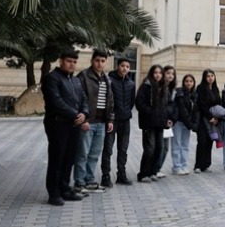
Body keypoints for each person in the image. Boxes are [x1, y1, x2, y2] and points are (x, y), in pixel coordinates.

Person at [41, 50, 89, 206]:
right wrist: (76, 115)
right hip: (57, 124)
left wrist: (84, 114)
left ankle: (65, 188)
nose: (72, 64)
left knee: (69, 159)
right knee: (57, 158)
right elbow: (56, 102)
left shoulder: (75, 81)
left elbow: (84, 99)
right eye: (69, 61)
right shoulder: (51, 79)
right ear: (61, 61)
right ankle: (54, 193)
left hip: (73, 125)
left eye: (75, 62)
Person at [73, 50, 114, 193]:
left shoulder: (106, 79)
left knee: (94, 154)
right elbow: (77, 99)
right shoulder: (83, 76)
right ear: (92, 61)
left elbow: (110, 101)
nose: (100, 63)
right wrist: (82, 119)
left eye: (103, 61)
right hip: (88, 122)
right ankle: (79, 182)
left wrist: (110, 119)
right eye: (97, 60)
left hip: (102, 123)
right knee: (82, 153)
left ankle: (89, 180)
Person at [101, 57, 135, 186]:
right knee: (108, 149)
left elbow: (132, 102)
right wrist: (111, 116)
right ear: (117, 66)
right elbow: (106, 101)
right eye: (122, 66)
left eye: (127, 66)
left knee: (123, 149)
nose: (125, 68)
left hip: (125, 121)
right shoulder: (110, 81)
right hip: (112, 120)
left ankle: (121, 175)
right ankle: (105, 176)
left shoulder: (131, 83)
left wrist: (126, 113)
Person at [135, 65, 173, 183]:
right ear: (151, 74)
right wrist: (151, 113)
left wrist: (168, 117)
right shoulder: (146, 86)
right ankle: (143, 174)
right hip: (149, 122)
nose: (158, 75)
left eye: (160, 73)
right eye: (155, 72)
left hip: (160, 123)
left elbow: (168, 105)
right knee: (149, 148)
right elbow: (140, 104)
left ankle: (153, 172)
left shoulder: (164, 88)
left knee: (159, 147)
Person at [195, 68, 223, 172]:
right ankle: (198, 165)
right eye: (208, 76)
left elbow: (219, 104)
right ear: (204, 77)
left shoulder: (215, 89)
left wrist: (217, 118)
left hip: (213, 121)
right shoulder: (200, 88)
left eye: (212, 76)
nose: (210, 78)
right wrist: (210, 117)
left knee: (209, 142)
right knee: (202, 141)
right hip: (203, 120)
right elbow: (201, 105)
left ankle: (206, 165)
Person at [154, 65, 177, 178]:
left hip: (168, 122)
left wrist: (171, 119)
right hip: (160, 121)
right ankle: (154, 169)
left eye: (172, 74)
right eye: (168, 73)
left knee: (166, 147)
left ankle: (158, 168)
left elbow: (172, 106)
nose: (170, 76)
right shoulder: (159, 87)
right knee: (160, 146)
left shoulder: (172, 89)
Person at [171, 74, 197, 175]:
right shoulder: (180, 93)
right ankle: (176, 167)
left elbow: (195, 110)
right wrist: (191, 124)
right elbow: (182, 110)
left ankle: (184, 165)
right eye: (187, 81)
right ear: (183, 82)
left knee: (185, 145)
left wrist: (193, 123)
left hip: (188, 123)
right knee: (176, 145)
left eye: (191, 81)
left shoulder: (194, 94)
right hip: (179, 122)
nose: (189, 83)